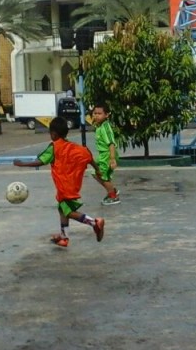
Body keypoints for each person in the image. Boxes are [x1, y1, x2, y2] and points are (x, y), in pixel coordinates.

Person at [13, 116, 105, 248]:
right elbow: (88, 156)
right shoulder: (74, 147)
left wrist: (22, 164)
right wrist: (97, 170)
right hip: (73, 184)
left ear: (53, 134)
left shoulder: (55, 147)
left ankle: (94, 223)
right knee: (62, 209)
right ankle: (64, 237)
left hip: (64, 186)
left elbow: (41, 161)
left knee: (68, 212)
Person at [91, 104, 120, 205]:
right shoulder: (99, 126)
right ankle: (113, 190)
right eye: (95, 113)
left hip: (107, 155)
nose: (96, 116)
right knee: (96, 174)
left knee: (103, 176)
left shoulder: (105, 128)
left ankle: (113, 196)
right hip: (102, 155)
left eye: (99, 114)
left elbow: (111, 144)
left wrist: (112, 159)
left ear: (107, 115)